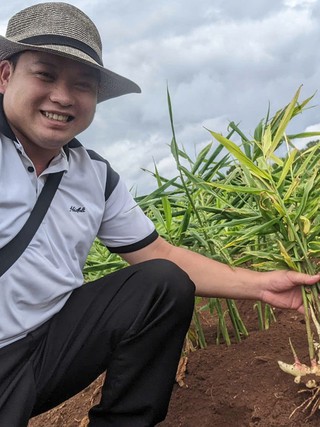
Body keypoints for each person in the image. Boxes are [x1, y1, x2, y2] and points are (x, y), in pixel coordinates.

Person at [0, 3, 318, 426]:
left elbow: (160, 255)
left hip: (43, 355)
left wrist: (262, 286)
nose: (62, 96)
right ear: (5, 76)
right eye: (44, 74)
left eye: (82, 84)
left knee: (161, 285)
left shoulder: (94, 176)